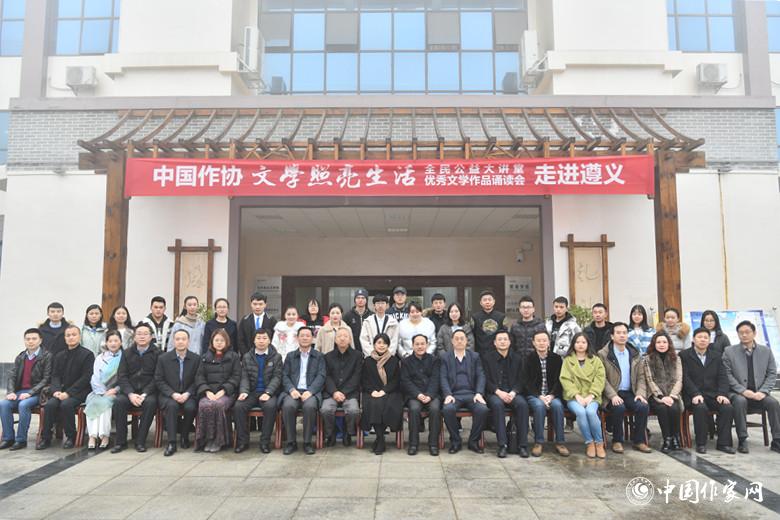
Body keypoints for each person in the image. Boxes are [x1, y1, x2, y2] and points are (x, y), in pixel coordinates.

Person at [722, 320, 780, 454]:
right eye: (741, 332)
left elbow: (772, 374)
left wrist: (763, 392)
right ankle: (742, 439)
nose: (744, 335)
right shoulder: (729, 351)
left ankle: (777, 440)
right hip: (737, 393)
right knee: (740, 401)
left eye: (747, 332)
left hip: (759, 393)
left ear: (754, 333)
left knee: (773, 403)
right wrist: (742, 391)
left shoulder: (766, 351)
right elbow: (727, 374)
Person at [36, 325, 94, 450]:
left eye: (74, 335)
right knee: (50, 405)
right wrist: (56, 391)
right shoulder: (59, 355)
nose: (71, 337)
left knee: (66, 405)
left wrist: (68, 393)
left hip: (80, 391)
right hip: (61, 391)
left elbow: (86, 378)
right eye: (68, 335)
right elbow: (55, 376)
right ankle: (46, 438)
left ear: (79, 336)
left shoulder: (87, 355)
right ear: (65, 338)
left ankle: (71, 436)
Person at [598, 322, 652, 454]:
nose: (622, 336)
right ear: (612, 336)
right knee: (619, 407)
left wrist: (640, 393)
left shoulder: (634, 353)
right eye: (618, 333)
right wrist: (612, 395)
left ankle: (639, 441)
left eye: (624, 333)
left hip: (630, 392)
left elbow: (641, 376)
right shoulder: (603, 354)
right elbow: (601, 378)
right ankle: (617, 440)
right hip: (612, 393)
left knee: (642, 406)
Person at [680, 327, 735, 454]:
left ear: (709, 340)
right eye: (699, 337)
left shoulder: (716, 356)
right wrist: (695, 393)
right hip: (693, 395)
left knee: (727, 408)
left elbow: (723, 377)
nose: (703, 340)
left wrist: (722, 394)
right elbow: (684, 378)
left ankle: (724, 443)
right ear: (693, 339)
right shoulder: (684, 355)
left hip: (713, 395)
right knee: (700, 408)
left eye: (706, 337)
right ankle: (701, 443)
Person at [112, 323, 160, 453]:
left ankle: (140, 441)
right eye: (139, 334)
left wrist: (144, 394)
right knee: (119, 402)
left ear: (151, 337)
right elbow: (122, 376)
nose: (142, 336)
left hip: (148, 392)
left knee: (150, 403)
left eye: (145, 334)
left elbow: (158, 377)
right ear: (134, 337)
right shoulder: (127, 353)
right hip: (130, 391)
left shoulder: (158, 353)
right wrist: (130, 394)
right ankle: (121, 442)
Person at [0, 329, 52, 451]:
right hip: (20, 392)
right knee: (3, 404)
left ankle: (21, 440)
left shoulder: (47, 356)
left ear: (40, 340)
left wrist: (30, 393)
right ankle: (8, 438)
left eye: (34, 339)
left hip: (38, 393)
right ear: (24, 340)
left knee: (23, 405)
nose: (30, 341)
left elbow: (46, 379)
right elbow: (12, 376)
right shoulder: (21, 356)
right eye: (28, 339)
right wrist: (11, 392)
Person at [440, 329, 489, 454]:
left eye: (462, 338)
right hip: (454, 395)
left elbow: (481, 376)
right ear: (452, 341)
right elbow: (443, 377)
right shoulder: (445, 357)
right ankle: (456, 441)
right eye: (456, 339)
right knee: (447, 409)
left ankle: (473, 441)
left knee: (482, 409)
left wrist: (479, 393)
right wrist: (448, 394)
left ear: (467, 341)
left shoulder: (475, 356)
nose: (459, 341)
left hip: (472, 394)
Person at [234, 329, 283, 453]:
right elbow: (244, 376)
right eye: (258, 338)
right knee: (239, 406)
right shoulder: (247, 357)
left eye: (264, 338)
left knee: (271, 407)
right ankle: (242, 442)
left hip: (268, 392)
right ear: (254, 340)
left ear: (269, 340)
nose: (261, 341)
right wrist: (244, 391)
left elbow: (277, 377)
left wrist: (268, 393)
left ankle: (265, 442)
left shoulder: (276, 357)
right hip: (251, 392)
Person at [483, 329, 530, 458]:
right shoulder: (487, 358)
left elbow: (522, 379)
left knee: (522, 405)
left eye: (505, 339)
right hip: (495, 393)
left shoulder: (517, 358)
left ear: (510, 342)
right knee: (497, 405)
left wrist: (513, 392)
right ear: (494, 343)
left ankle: (522, 445)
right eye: (500, 339)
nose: (502, 342)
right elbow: (485, 379)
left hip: (513, 393)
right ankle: (502, 445)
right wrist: (498, 392)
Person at [155, 329, 201, 456]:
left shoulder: (196, 359)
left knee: (190, 407)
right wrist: (173, 394)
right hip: (169, 395)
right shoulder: (163, 359)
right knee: (172, 406)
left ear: (188, 341)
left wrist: (188, 393)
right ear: (173, 341)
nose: (180, 342)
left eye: (183, 339)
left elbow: (198, 380)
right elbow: (159, 380)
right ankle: (172, 442)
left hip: (188, 394)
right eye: (177, 339)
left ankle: (184, 436)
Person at [559, 333, 606, 458]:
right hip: (573, 397)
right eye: (577, 342)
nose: (580, 345)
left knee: (591, 412)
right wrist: (576, 395)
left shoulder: (596, 360)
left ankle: (599, 443)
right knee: (581, 412)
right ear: (573, 344)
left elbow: (600, 379)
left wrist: (591, 395)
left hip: (592, 396)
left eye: (583, 342)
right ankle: (589, 442)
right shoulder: (568, 360)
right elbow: (565, 379)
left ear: (588, 344)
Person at [194, 329, 241, 453]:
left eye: (222, 340)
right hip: (209, 392)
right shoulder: (205, 357)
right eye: (216, 340)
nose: (219, 343)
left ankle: (218, 440)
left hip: (227, 393)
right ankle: (206, 440)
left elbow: (236, 377)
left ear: (227, 342)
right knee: (204, 405)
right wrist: (207, 391)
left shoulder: (234, 357)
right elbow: (199, 377)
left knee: (218, 405)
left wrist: (223, 391)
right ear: (212, 342)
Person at [281, 327, 326, 455]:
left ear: (312, 338)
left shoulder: (319, 356)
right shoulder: (290, 356)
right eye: (302, 335)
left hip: (311, 391)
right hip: (294, 391)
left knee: (309, 407)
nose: (305, 338)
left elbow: (321, 376)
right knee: (288, 406)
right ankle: (291, 442)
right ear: (297, 338)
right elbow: (284, 375)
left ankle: (307, 442)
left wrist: (310, 391)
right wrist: (291, 389)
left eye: (307, 336)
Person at [523, 330, 568, 457]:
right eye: (538, 341)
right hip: (535, 395)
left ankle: (560, 442)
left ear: (549, 342)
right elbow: (526, 381)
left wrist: (552, 395)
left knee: (558, 406)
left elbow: (559, 380)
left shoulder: (556, 359)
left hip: (552, 395)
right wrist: (539, 396)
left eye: (544, 340)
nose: (541, 343)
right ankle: (538, 442)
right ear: (533, 343)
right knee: (539, 406)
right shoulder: (528, 359)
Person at [361, 333, 403, 455]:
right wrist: (373, 391)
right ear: (374, 344)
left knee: (387, 404)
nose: (382, 345)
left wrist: (384, 391)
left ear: (388, 345)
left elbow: (396, 380)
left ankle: (379, 439)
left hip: (390, 391)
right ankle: (380, 438)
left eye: (384, 343)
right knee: (374, 404)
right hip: (372, 392)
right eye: (379, 343)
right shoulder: (368, 361)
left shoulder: (394, 360)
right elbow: (364, 380)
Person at [400, 334, 441, 456]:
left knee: (435, 409)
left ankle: (433, 444)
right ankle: (413, 444)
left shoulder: (434, 360)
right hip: (414, 395)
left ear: (427, 345)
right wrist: (418, 394)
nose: (420, 346)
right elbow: (405, 381)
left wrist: (429, 395)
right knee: (414, 409)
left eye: (422, 344)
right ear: (412, 346)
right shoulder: (406, 362)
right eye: (417, 344)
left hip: (431, 394)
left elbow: (435, 379)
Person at [643, 331, 683, 453]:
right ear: (654, 344)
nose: (661, 344)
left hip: (673, 394)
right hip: (656, 395)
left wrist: (672, 396)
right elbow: (650, 380)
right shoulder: (648, 359)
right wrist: (661, 396)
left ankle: (675, 438)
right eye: (658, 342)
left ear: (669, 344)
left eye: (664, 342)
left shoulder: (676, 358)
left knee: (674, 408)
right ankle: (667, 439)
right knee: (662, 408)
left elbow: (679, 379)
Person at [321, 328, 362, 447]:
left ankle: (347, 433)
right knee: (326, 410)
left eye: (345, 336)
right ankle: (331, 433)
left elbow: (357, 376)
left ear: (350, 339)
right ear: (335, 339)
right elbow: (327, 376)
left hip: (350, 393)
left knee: (353, 411)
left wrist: (343, 392)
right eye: (339, 336)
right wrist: (334, 392)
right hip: (331, 393)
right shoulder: (328, 356)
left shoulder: (357, 356)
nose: (342, 338)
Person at [85, 330, 123, 450]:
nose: (113, 343)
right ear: (106, 343)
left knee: (106, 403)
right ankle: (92, 436)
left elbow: (125, 378)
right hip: (98, 390)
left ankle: (104, 435)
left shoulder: (124, 357)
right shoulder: (100, 358)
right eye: (110, 341)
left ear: (121, 342)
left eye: (116, 341)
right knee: (93, 402)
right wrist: (101, 391)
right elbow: (95, 377)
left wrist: (115, 390)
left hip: (115, 391)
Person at [472, 289, 510, 356]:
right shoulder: (475, 317)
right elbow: (472, 336)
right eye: (485, 300)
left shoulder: (501, 317)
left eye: (489, 300)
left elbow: (506, 334)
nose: (487, 302)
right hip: (480, 353)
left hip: (497, 353)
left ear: (494, 301)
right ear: (480, 302)